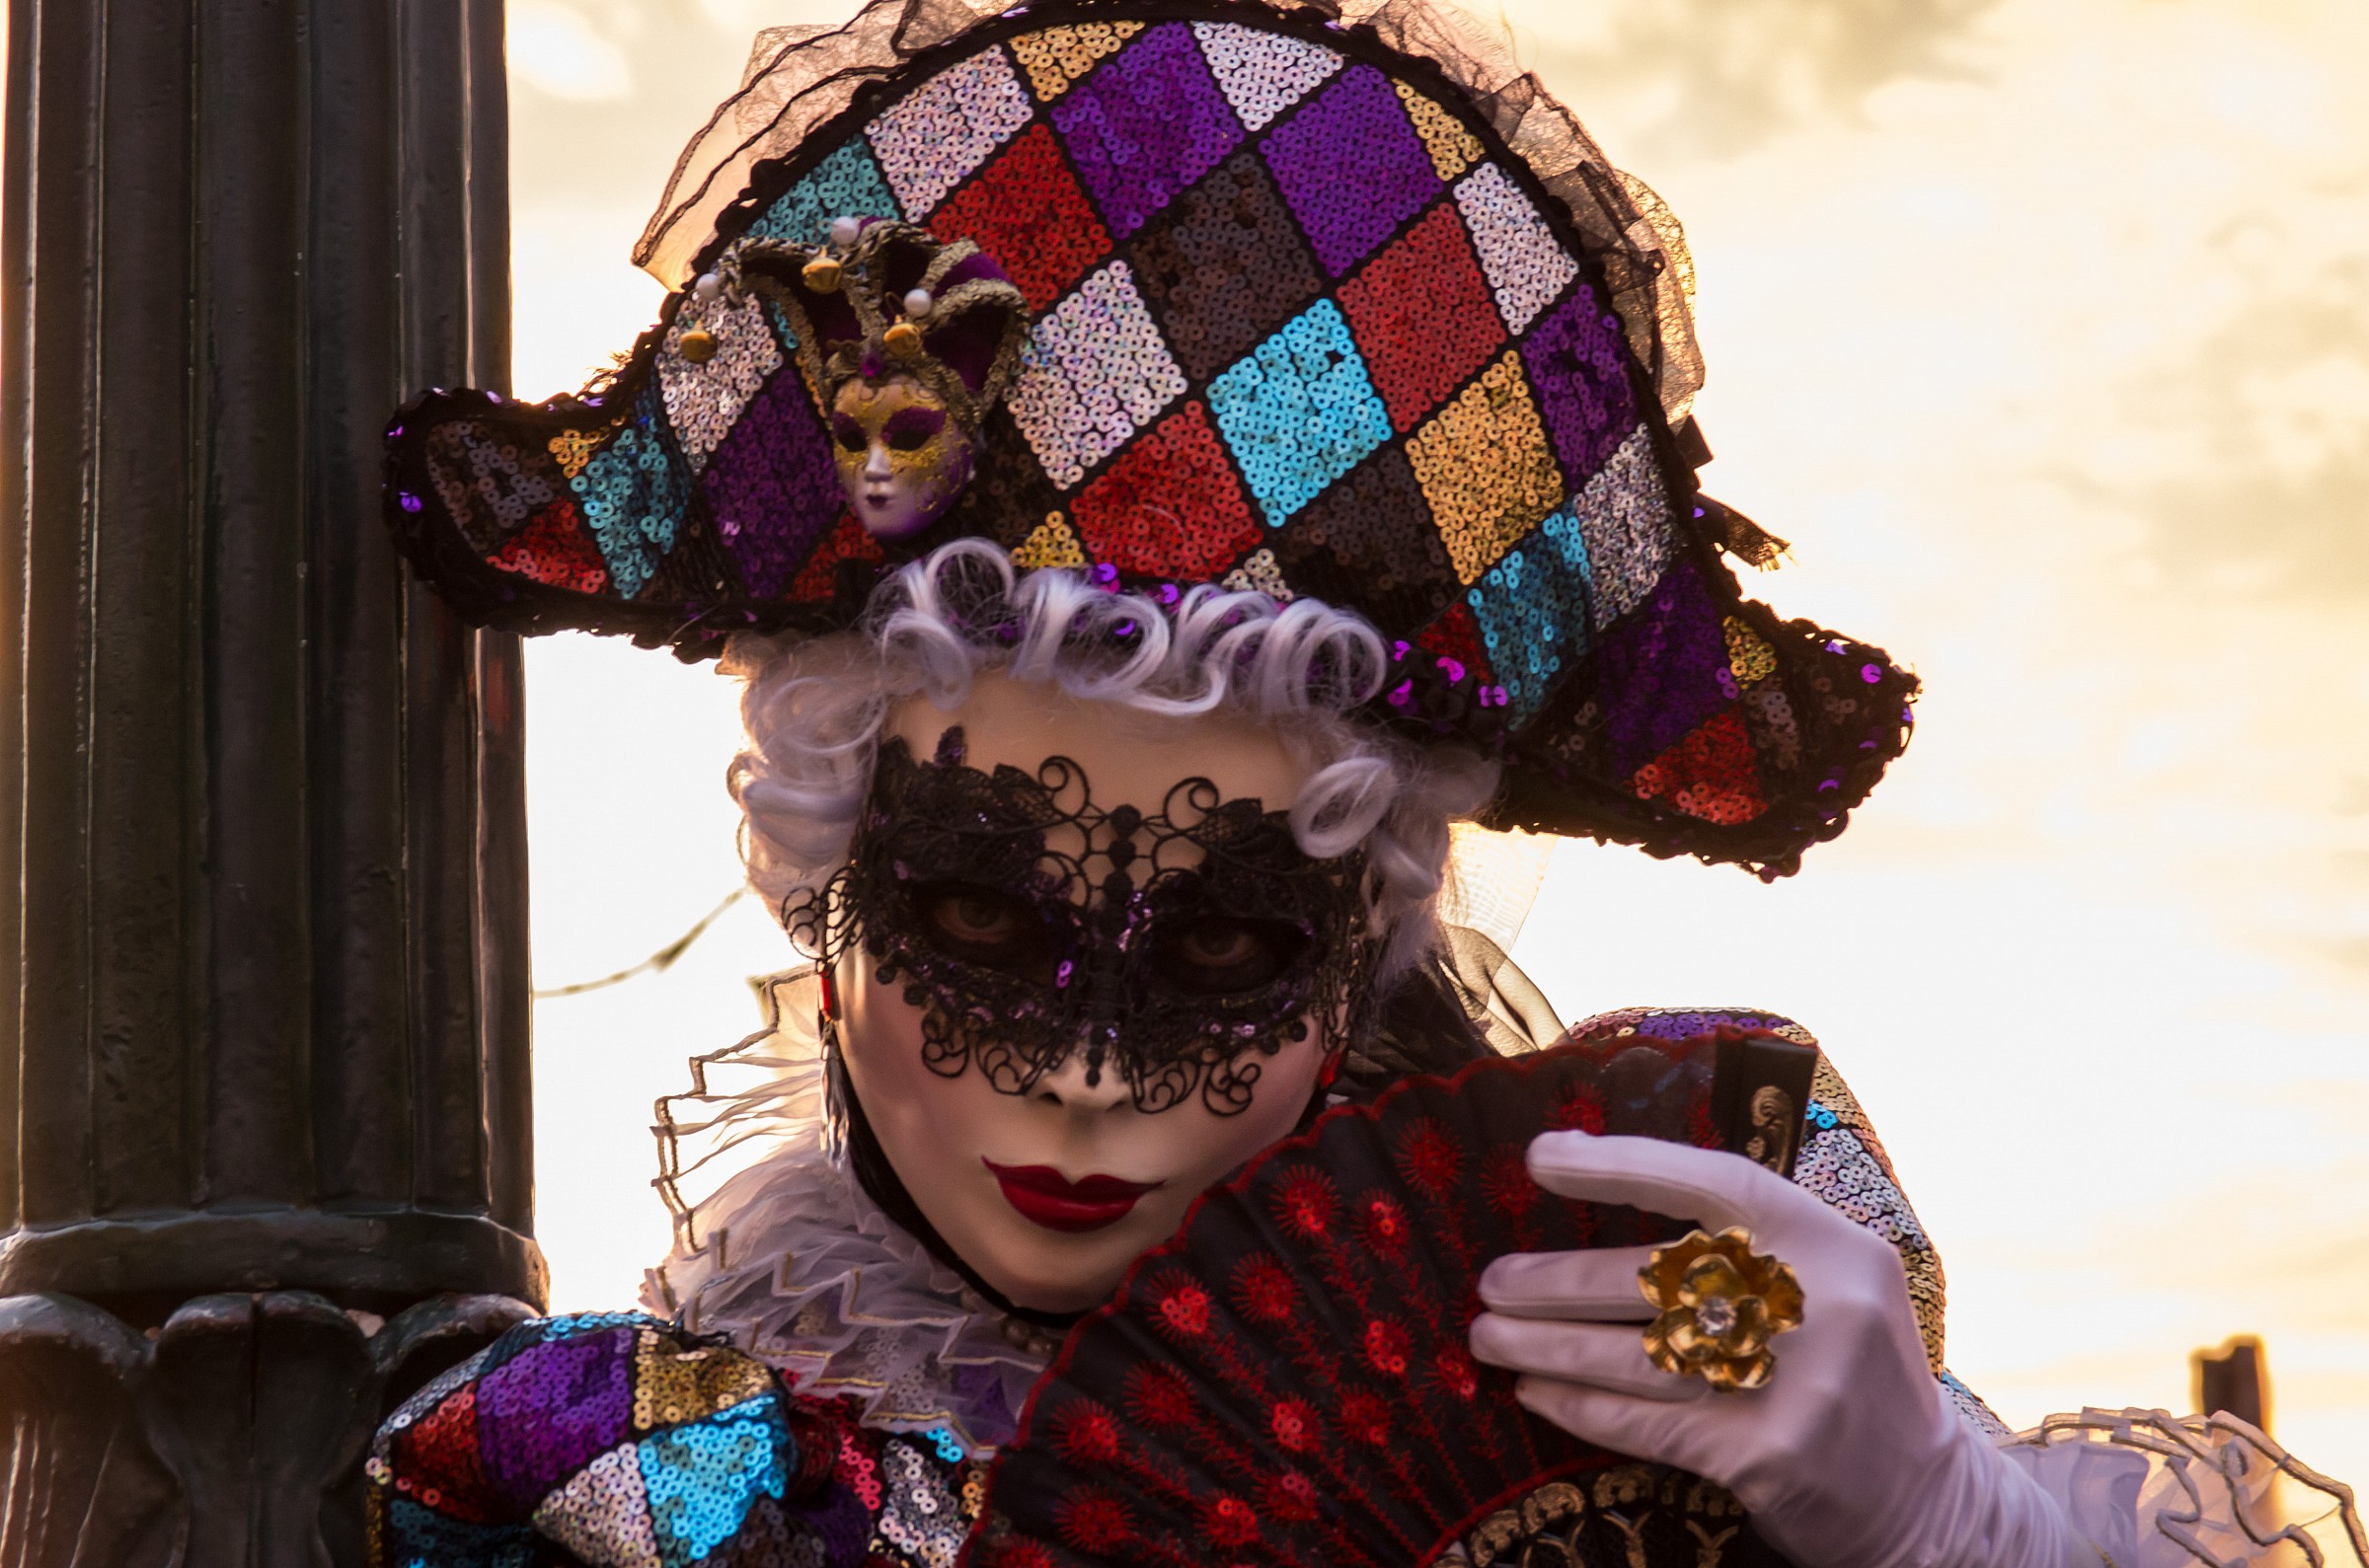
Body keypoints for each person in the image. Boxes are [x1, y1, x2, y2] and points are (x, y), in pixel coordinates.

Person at [367, 3, 2364, 1565]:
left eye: (1230, 942)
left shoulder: (1617, 1338)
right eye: (980, 914)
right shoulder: (651, 1483)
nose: (1085, 1076)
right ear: (826, 885)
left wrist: (1948, 1527)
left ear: (1359, 944)